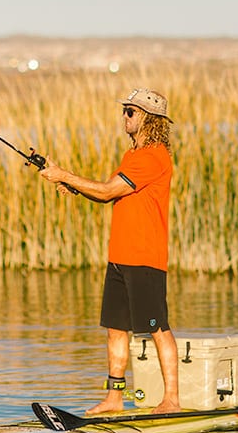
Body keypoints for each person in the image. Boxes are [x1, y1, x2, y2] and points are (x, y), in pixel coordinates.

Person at [38, 88, 180, 414]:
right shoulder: (132, 156)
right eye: (125, 110)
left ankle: (171, 399)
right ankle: (114, 398)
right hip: (119, 256)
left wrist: (64, 175)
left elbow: (106, 192)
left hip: (145, 257)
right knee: (116, 330)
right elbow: (109, 193)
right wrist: (72, 184)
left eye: (130, 111)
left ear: (148, 118)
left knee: (158, 328)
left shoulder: (153, 156)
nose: (124, 117)